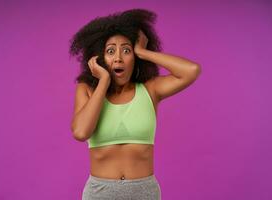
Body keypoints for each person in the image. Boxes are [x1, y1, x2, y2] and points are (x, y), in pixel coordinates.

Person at [69, 8, 201, 200]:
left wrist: (142, 51)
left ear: (134, 59)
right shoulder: (87, 90)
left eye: (126, 50)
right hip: (100, 193)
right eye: (110, 51)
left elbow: (191, 70)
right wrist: (104, 81)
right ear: (99, 58)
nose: (118, 58)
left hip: (144, 191)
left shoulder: (150, 89)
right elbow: (81, 132)